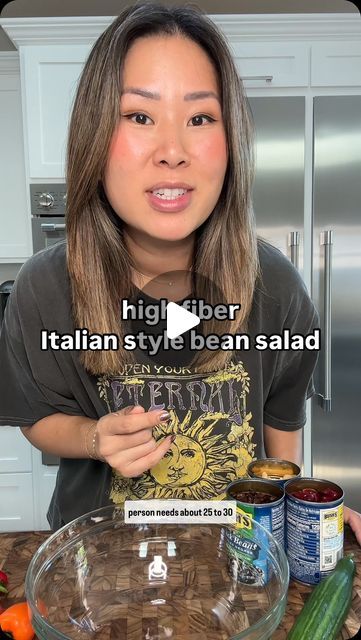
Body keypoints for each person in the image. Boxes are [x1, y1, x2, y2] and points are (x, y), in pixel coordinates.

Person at [0, 3, 360, 543]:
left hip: (238, 555)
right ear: (95, 137)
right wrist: (96, 437)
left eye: (200, 118)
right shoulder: (43, 288)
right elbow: (37, 419)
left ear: (229, 143)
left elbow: (282, 422)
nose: (173, 152)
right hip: (98, 558)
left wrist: (298, 517)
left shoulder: (276, 283)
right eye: (140, 116)